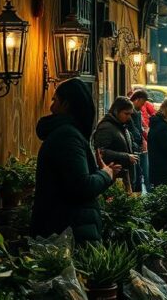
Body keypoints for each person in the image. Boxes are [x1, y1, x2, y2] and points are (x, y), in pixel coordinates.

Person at [31, 78, 121, 244]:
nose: (51, 106)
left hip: (69, 229)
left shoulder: (69, 135)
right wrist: (105, 174)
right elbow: (81, 186)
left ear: (66, 105)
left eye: (54, 100)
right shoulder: (68, 137)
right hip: (67, 231)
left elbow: (76, 183)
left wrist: (102, 175)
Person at [92, 96, 140, 191]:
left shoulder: (122, 125)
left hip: (126, 178)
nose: (129, 117)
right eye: (126, 114)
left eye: (130, 114)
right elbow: (100, 152)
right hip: (114, 179)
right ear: (116, 111)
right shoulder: (106, 127)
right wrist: (126, 156)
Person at [128, 89, 150, 192]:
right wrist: (140, 140)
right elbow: (133, 129)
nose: (143, 104)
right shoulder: (130, 111)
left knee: (140, 173)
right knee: (137, 175)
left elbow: (139, 128)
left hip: (138, 145)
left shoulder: (137, 111)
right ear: (137, 99)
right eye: (143, 101)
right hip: (133, 147)